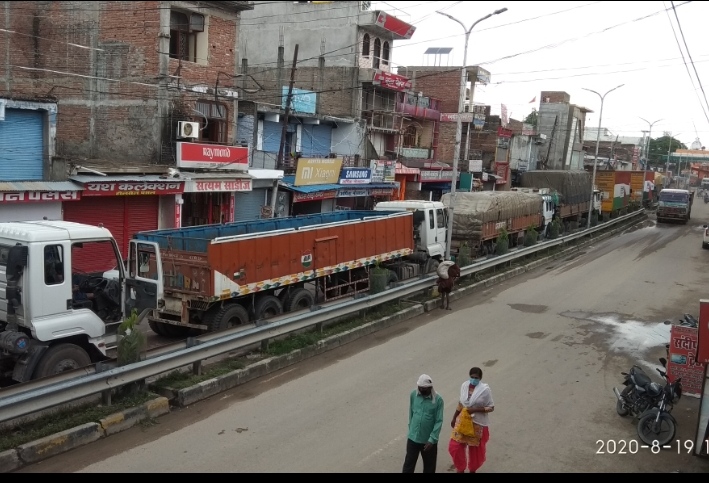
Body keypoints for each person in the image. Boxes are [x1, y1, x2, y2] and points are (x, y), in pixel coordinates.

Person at [448, 367, 495, 473]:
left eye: (476, 378)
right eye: (472, 377)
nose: (474, 379)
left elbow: (491, 407)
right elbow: (461, 403)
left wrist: (475, 410)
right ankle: (460, 468)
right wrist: (454, 417)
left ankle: (472, 469)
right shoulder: (464, 386)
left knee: (475, 452)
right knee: (455, 447)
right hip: (463, 422)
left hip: (477, 424)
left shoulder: (485, 390)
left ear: (480, 378)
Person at [402, 374, 444, 473]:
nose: (421, 390)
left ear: (430, 387)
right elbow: (411, 413)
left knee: (429, 467)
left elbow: (439, 421)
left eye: (424, 389)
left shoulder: (438, 400)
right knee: (408, 465)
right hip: (413, 438)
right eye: (420, 388)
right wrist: (411, 429)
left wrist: (432, 439)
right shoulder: (413, 395)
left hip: (428, 441)